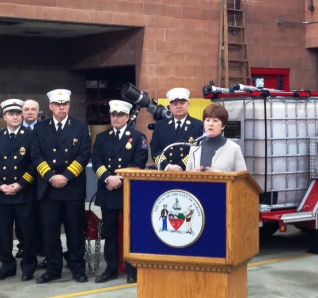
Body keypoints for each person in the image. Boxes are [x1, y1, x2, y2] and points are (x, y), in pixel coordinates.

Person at [31, 89, 92, 284]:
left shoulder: (80, 127)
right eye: (57, 104)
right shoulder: (40, 128)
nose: (61, 108)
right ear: (50, 107)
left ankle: (77, 267)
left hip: (72, 187)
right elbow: (36, 155)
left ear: (69, 105)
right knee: (50, 232)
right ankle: (53, 268)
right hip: (49, 189)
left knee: (75, 231)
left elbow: (83, 155)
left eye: (65, 104)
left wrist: (65, 176)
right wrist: (51, 177)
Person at [92, 100, 148, 284]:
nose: (115, 118)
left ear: (127, 117)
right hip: (108, 190)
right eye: (113, 115)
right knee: (110, 232)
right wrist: (108, 179)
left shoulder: (138, 137)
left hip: (128, 191)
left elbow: (138, 164)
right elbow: (97, 162)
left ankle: (133, 269)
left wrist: (119, 179)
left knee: (131, 232)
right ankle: (111, 268)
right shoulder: (102, 137)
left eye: (119, 115)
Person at [0, 99, 38, 281]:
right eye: (11, 114)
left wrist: (21, 184)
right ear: (4, 116)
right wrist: (0, 185)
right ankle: (7, 265)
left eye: (18, 113)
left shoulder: (31, 136)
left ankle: (28, 266)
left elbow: (34, 164)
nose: (15, 117)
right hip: (2, 194)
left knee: (28, 232)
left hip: (24, 192)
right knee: (3, 232)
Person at [183, 103, 247, 172]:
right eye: (207, 120)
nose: (210, 124)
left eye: (215, 121)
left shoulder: (233, 148)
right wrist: (194, 174)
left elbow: (242, 179)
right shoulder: (195, 146)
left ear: (223, 126)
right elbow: (188, 174)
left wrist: (222, 175)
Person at [151, 88, 204, 170]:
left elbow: (199, 150)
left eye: (182, 103)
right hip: (165, 172)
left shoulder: (198, 125)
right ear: (170, 107)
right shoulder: (160, 125)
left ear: (188, 105)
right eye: (175, 104)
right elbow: (155, 150)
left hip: (188, 172)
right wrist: (167, 166)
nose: (179, 106)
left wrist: (180, 167)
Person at [16, 98, 41, 261]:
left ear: (38, 112)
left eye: (33, 109)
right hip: (21, 183)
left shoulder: (44, 129)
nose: (30, 112)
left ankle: (41, 247)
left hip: (41, 181)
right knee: (21, 219)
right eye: (26, 110)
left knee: (40, 218)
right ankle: (23, 246)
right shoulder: (15, 130)